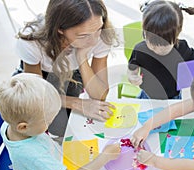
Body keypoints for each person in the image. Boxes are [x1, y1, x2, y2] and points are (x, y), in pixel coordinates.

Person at [0, 73, 121, 170]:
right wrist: (105, 156)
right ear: (23, 127)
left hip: (52, 160)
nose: (51, 123)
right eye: (47, 121)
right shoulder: (33, 155)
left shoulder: (10, 124)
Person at [16, 0, 118, 138]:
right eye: (83, 35)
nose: (94, 41)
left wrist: (82, 58)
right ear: (60, 29)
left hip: (73, 72)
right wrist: (79, 104)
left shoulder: (100, 36)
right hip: (42, 76)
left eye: (98, 29)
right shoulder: (32, 40)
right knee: (46, 122)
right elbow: (36, 95)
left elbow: (100, 95)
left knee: (72, 125)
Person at [127, 0, 194, 99]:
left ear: (177, 34)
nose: (156, 48)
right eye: (151, 42)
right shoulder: (140, 50)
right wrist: (132, 77)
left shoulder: (182, 48)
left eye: (163, 44)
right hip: (147, 96)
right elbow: (132, 70)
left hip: (173, 97)